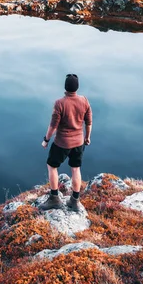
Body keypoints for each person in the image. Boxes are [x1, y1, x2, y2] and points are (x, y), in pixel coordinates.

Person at [39, 74, 92, 213]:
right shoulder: (84, 100)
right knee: (75, 169)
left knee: (52, 166)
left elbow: (53, 126)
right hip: (79, 142)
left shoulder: (60, 103)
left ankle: (54, 198)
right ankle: (74, 201)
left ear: (65, 87)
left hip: (62, 143)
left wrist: (46, 140)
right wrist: (87, 137)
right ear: (77, 87)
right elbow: (89, 122)